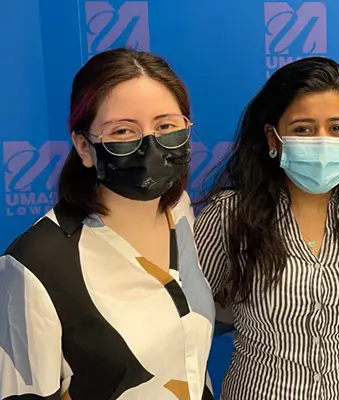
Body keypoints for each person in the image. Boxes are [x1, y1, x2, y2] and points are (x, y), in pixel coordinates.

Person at [194, 57, 339, 399]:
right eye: (303, 129)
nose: (322, 141)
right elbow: (185, 321)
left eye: (337, 128)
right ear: (273, 137)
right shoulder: (229, 214)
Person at [0, 48, 215, 399]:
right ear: (84, 147)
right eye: (123, 132)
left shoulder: (180, 213)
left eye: (166, 126)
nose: (151, 145)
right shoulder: (35, 265)